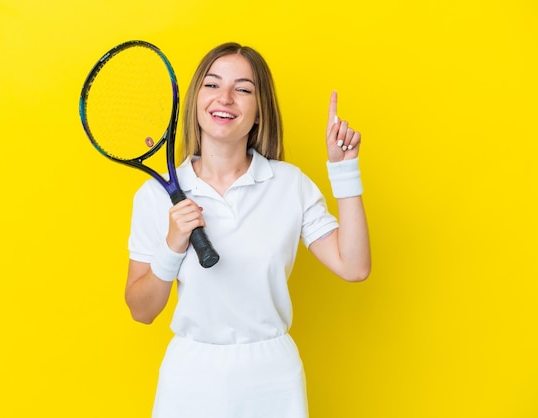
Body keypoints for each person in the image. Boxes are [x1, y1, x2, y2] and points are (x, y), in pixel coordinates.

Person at [125, 42, 371, 418]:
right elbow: (141, 311)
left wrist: (344, 171)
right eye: (212, 85)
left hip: (272, 377)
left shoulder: (290, 184)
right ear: (195, 101)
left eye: (242, 89)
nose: (224, 98)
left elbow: (354, 267)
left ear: (259, 112)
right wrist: (172, 246)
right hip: (189, 376)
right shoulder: (155, 196)